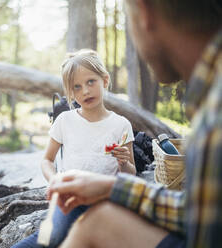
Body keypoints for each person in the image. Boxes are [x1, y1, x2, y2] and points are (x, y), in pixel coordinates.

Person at [48, 0, 222, 247]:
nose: (85, 90)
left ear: (144, 12)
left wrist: (119, 178)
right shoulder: (211, 97)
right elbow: (202, 214)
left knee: (89, 224)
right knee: (87, 224)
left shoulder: (214, 115)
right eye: (76, 86)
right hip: (77, 203)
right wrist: (113, 187)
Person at [12, 49, 136, 248]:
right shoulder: (65, 121)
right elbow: (46, 160)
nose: (85, 91)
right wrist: (56, 182)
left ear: (105, 80)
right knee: (50, 236)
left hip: (106, 201)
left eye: (90, 82)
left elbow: (131, 174)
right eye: (76, 87)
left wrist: (124, 162)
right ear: (70, 93)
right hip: (69, 197)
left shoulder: (121, 125)